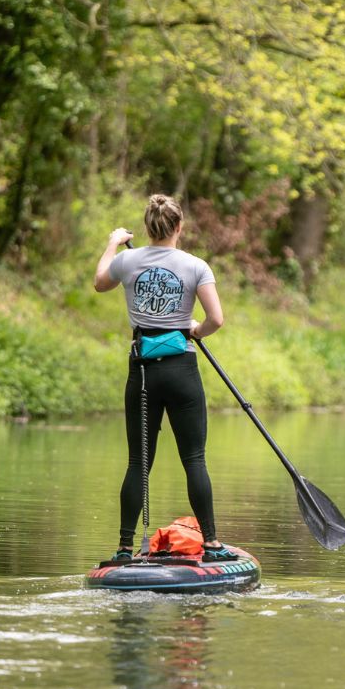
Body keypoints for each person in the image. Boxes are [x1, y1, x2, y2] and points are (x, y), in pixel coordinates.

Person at [93, 194, 236, 563]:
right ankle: (213, 544)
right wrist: (195, 330)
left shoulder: (126, 260)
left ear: (146, 228)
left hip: (142, 372)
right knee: (194, 459)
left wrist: (111, 243)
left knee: (138, 463)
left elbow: (99, 282)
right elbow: (216, 319)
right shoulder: (195, 266)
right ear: (179, 227)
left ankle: (124, 548)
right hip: (182, 370)